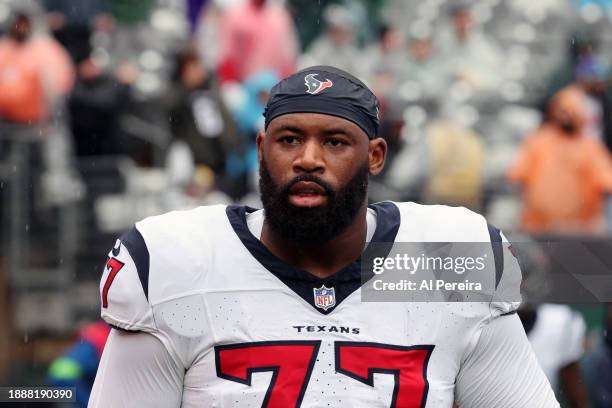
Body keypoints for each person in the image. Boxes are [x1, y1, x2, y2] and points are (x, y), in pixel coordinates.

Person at [88, 66, 558, 407]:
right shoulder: (178, 263)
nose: (308, 158)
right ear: (261, 149)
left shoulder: (444, 258)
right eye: (289, 139)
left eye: (334, 142)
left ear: (375, 156)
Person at [507, 85, 612, 234]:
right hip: (538, 228)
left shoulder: (590, 147)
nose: (565, 116)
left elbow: (606, 181)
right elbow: (518, 175)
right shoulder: (539, 140)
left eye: (571, 111)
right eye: (562, 110)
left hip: (580, 233)